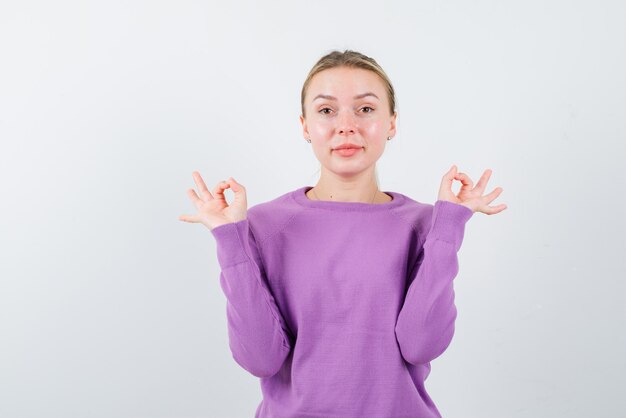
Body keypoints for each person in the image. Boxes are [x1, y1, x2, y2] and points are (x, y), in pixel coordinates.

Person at [179, 49, 507, 418]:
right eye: (326, 110)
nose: (346, 125)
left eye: (365, 109)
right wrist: (229, 238)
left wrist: (450, 224)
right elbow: (259, 358)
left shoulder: (424, 224)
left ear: (392, 123)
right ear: (305, 126)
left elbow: (422, 344)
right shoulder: (263, 226)